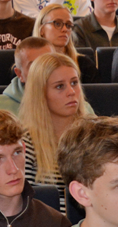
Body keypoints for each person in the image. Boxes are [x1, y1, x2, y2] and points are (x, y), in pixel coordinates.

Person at [18, 53, 85, 203]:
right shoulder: (26, 143)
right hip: (50, 224)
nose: (71, 92)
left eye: (74, 83)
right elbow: (28, 204)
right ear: (40, 93)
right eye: (60, 86)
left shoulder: (95, 135)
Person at [0, 36, 52, 115]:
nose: (45, 70)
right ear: (20, 74)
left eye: (50, 63)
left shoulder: (65, 102)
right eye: (34, 66)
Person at [32, 5, 98, 83]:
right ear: (41, 29)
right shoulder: (30, 63)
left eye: (68, 25)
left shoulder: (84, 65)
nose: (64, 29)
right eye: (57, 23)